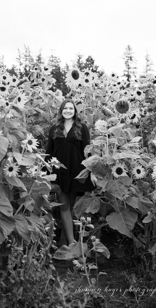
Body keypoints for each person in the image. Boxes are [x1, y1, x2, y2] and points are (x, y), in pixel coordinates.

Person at [44, 100, 91, 247]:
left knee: (70, 206)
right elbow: (49, 151)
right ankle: (72, 243)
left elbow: (87, 150)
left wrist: (90, 169)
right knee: (64, 206)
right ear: (61, 110)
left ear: (75, 111)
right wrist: (44, 171)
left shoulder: (82, 128)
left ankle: (64, 239)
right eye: (65, 108)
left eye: (71, 108)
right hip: (58, 171)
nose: (68, 111)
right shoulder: (54, 129)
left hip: (76, 170)